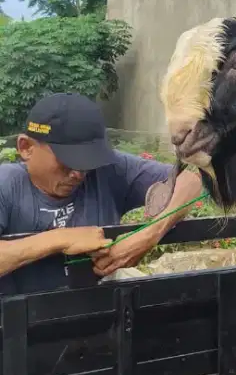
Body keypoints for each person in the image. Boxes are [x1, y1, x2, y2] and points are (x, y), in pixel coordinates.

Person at [0, 92, 203, 295]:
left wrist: (147, 236)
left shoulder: (108, 170)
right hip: (18, 322)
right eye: (68, 161)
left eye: (88, 161)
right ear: (25, 147)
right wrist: (60, 239)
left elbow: (191, 181)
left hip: (99, 317)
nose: (78, 174)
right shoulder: (6, 184)